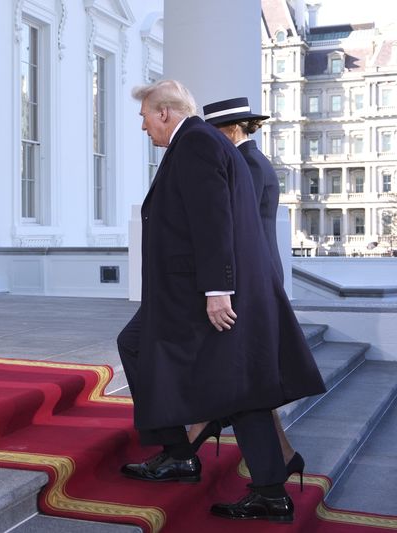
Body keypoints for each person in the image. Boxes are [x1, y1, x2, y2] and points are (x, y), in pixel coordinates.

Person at [116, 80, 326, 522]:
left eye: (144, 118)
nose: (143, 127)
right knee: (237, 385)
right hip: (197, 292)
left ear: (166, 113)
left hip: (200, 295)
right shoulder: (207, 143)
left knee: (158, 352)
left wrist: (217, 290)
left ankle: (193, 459)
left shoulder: (194, 144)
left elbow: (214, 220)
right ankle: (242, 477)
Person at [189, 96, 303, 484]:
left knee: (246, 373)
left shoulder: (247, 164)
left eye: (215, 133)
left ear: (233, 130)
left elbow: (235, 230)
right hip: (255, 279)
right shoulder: (251, 161)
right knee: (252, 375)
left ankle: (202, 427)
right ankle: (284, 456)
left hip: (250, 283)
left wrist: (221, 286)